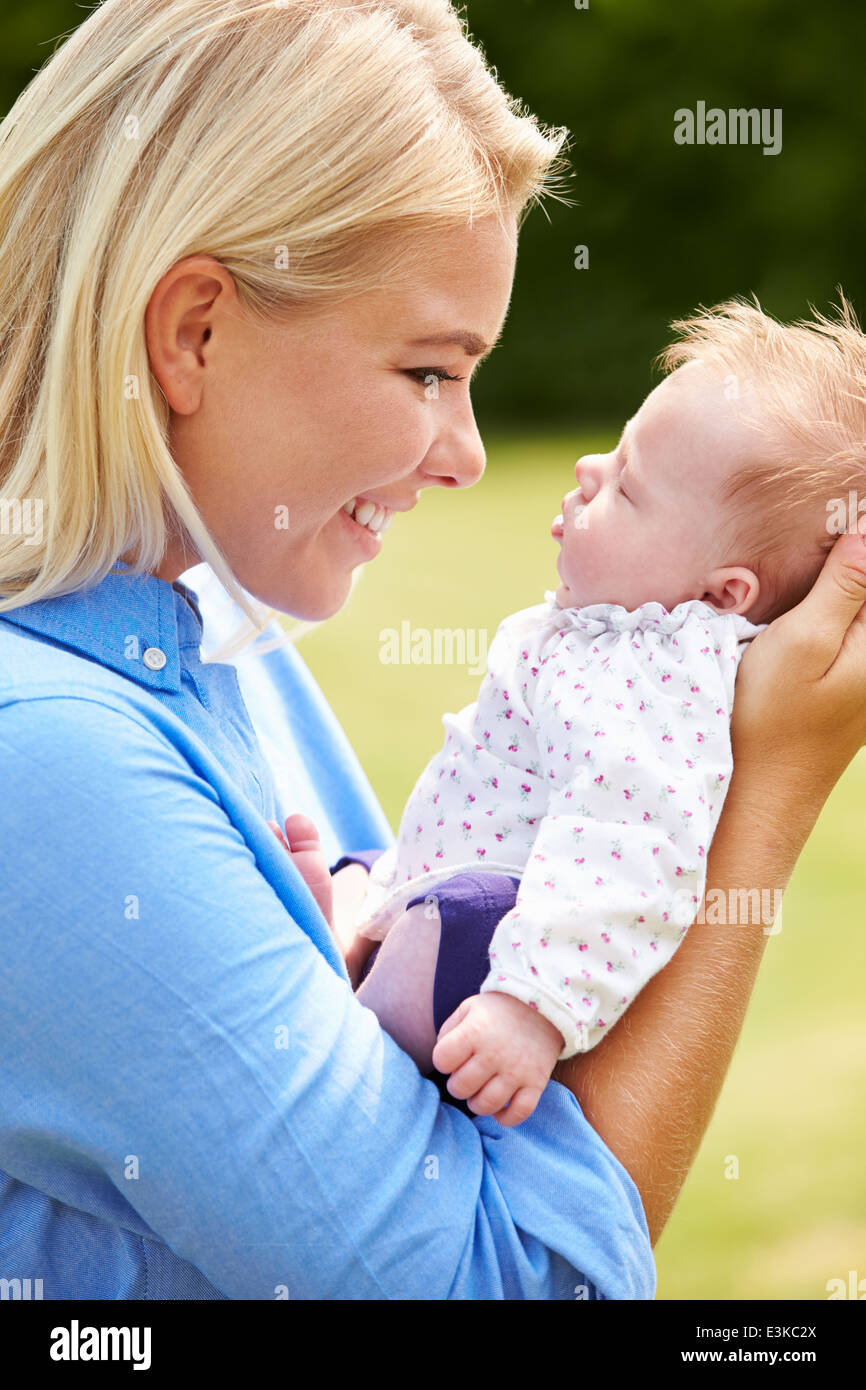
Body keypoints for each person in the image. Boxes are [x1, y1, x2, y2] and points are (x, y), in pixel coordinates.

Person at [1, 0, 866, 1302]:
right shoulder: (49, 762)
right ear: (194, 332)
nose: (463, 455)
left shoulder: (227, 660)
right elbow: (511, 1287)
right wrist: (766, 788)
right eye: (425, 370)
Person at [322, 297, 866, 1128]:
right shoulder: (610, 636)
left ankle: (359, 980)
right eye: (614, 450)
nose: (586, 469)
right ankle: (364, 922)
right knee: (369, 865)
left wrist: (531, 1007)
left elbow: (628, 846)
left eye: (629, 487)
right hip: (437, 893)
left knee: (454, 915)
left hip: (492, 959)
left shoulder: (655, 677)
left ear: (723, 595)